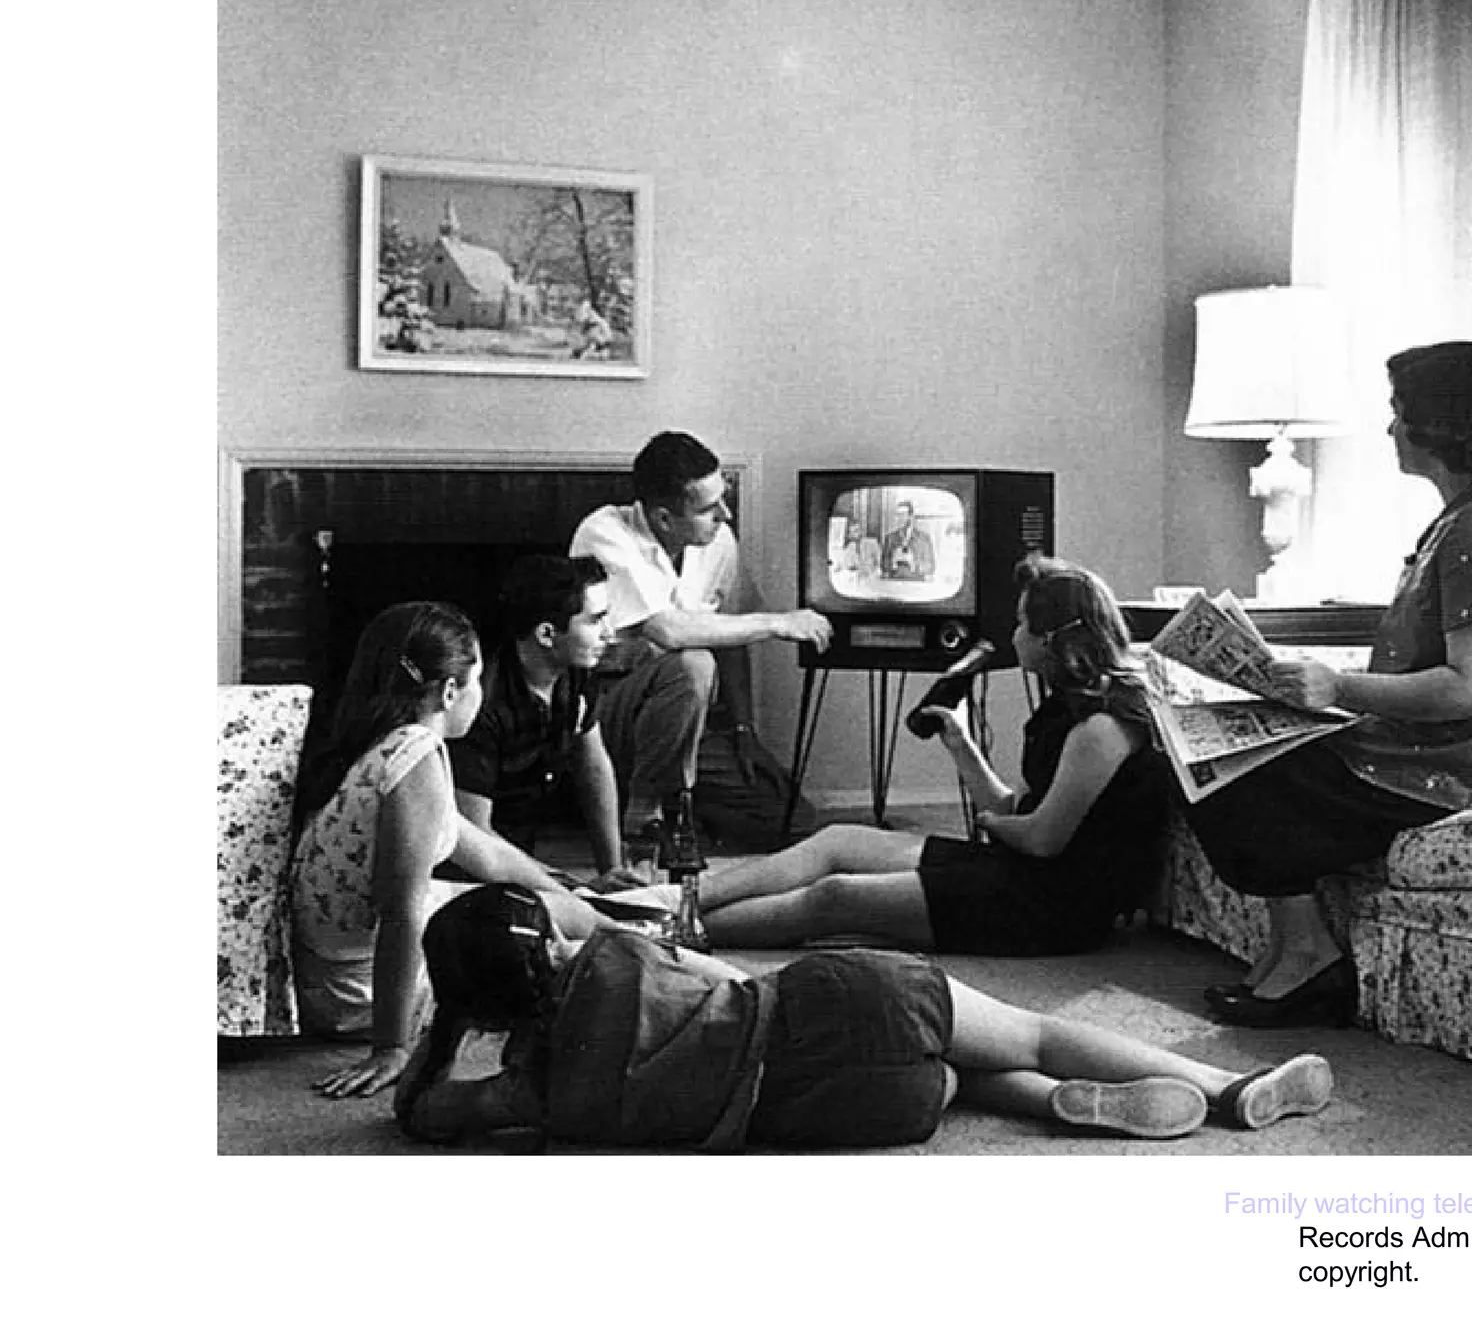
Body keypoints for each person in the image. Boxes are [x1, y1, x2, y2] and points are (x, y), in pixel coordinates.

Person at [1186, 341, 1472, 1028]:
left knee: (1239, 773)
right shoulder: (1467, 516)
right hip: (1429, 750)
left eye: (1399, 411)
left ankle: (1309, 958)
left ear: (1438, 418)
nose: (1390, 427)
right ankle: (1293, 950)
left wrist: (1334, 686)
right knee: (1216, 756)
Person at [395, 883, 1335, 1150]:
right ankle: (1225, 1085)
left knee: (954, 1081)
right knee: (1028, 1025)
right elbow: (717, 969)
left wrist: (443, 1031)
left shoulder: (535, 1095)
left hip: (850, 1117)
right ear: (550, 945)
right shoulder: (614, 953)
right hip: (840, 1008)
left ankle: (1055, 1106)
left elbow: (423, 1114)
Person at [694, 555, 1169, 955]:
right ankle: (681, 899)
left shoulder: (1102, 728)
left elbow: (1040, 839)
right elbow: (1013, 811)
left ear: (1053, 640)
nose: (1015, 633)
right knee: (837, 842)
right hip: (1019, 869)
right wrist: (962, 745)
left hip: (1053, 907)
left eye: (1023, 622)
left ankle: (677, 933)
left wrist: (989, 827)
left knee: (835, 897)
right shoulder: (1062, 709)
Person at [288, 601, 616, 1098]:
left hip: (332, 971)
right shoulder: (415, 757)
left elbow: (484, 853)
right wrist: (391, 1046)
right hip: (356, 989)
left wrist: (575, 898)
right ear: (448, 692)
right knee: (545, 943)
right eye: (477, 678)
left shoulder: (388, 742)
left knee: (562, 911)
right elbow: (401, 912)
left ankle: (634, 929)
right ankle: (650, 949)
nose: (481, 694)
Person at [569, 431, 833, 845]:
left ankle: (678, 801)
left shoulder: (717, 539)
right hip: (605, 714)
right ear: (662, 518)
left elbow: (732, 634)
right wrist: (778, 623)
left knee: (792, 822)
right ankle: (643, 810)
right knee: (693, 662)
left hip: (685, 722)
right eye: (710, 508)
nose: (725, 514)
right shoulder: (604, 534)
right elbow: (668, 631)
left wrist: (744, 729)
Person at [447, 555, 625, 875]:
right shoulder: (480, 706)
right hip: (468, 873)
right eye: (595, 620)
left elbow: (593, 768)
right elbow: (476, 840)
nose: (610, 634)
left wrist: (611, 870)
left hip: (523, 862)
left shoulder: (576, 673)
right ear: (546, 634)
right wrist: (571, 887)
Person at [878, 499, 934, 581]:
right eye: (897, 515)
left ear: (910, 517)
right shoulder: (889, 538)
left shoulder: (924, 538)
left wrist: (913, 563)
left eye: (902, 515)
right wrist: (893, 562)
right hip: (893, 584)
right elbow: (883, 565)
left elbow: (930, 566)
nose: (899, 518)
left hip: (917, 585)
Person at [836, 516, 882, 581]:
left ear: (861, 531)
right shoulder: (849, 547)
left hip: (872, 580)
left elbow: (878, 566)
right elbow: (842, 565)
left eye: (856, 531)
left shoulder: (872, 543)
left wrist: (873, 577)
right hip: (855, 581)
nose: (853, 534)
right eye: (851, 532)